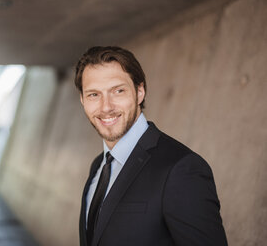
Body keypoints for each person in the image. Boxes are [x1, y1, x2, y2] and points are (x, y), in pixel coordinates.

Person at [74, 46, 228, 246]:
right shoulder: (98, 167)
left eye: (118, 91)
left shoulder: (181, 169)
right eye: (94, 95)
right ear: (82, 100)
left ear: (139, 92)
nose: (106, 107)